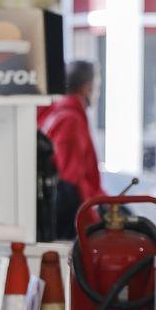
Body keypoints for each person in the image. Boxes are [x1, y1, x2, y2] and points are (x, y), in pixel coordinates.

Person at [39, 60, 103, 237]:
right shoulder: (70, 120)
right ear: (86, 88)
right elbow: (71, 179)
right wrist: (93, 221)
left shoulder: (54, 113)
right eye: (96, 86)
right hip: (68, 221)